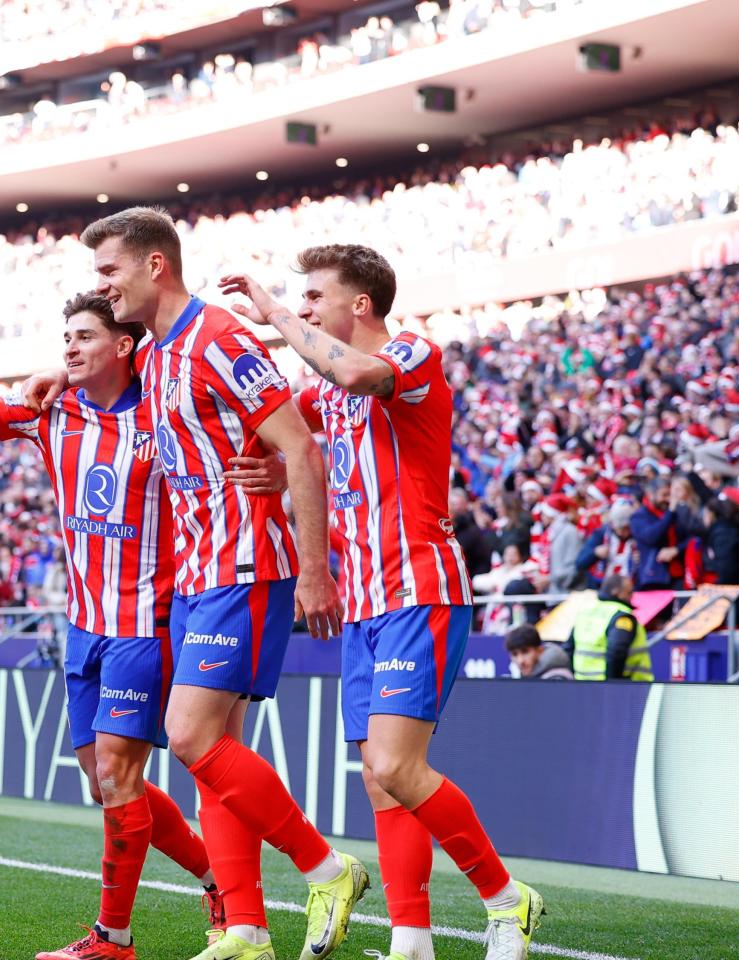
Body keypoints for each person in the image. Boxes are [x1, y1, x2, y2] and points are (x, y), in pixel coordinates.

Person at [36, 207, 365, 960]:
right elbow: (117, 384)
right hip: (194, 575)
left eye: (110, 270)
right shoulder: (154, 355)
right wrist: (66, 369)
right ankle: (246, 927)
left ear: (155, 266)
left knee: (188, 736)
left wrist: (315, 569)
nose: (102, 285)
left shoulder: (220, 338)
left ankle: (325, 866)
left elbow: (301, 448)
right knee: (217, 756)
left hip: (245, 564)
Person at [221, 244, 541, 960]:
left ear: (358, 304)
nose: (301, 308)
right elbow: (287, 428)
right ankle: (411, 940)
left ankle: (505, 899)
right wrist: (280, 471)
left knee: (398, 766)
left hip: (419, 589)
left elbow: (355, 371)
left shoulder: (410, 353)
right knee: (380, 781)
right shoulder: (324, 396)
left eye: (313, 297)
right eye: (296, 300)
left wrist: (270, 312)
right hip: (362, 603)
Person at [0, 290, 246, 959]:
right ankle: (219, 879)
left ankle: (111, 940)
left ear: (125, 345)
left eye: (85, 336)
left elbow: (189, 358)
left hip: (143, 627)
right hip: (83, 629)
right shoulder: (51, 409)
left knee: (121, 780)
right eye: (65, 336)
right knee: (102, 782)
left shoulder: (163, 409)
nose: (68, 346)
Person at [567, 574, 653, 682]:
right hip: (626, 687)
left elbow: (569, 648)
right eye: (629, 592)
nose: (632, 596)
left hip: (583, 683)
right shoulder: (622, 616)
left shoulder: (586, 611)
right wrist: (613, 686)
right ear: (616, 592)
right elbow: (617, 652)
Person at [504, 626, 573, 681]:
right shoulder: (530, 675)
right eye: (514, 654)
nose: (520, 661)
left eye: (525, 652)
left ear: (539, 650)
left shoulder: (557, 679)